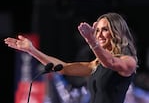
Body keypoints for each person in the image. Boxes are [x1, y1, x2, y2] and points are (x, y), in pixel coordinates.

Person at [4, 12, 138, 103]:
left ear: (116, 32)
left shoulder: (129, 61)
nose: (99, 34)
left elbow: (111, 62)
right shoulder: (96, 64)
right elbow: (63, 68)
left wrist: (92, 41)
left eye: (105, 29)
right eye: (97, 30)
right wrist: (31, 50)